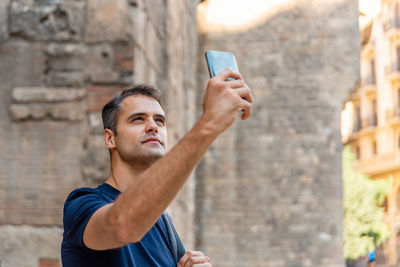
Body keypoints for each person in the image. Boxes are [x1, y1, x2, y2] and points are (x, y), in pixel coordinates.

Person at [61, 68, 253, 267]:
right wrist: (209, 123)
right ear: (110, 138)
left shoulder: (163, 224)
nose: (153, 126)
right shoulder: (82, 205)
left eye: (159, 121)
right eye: (138, 119)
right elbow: (123, 225)